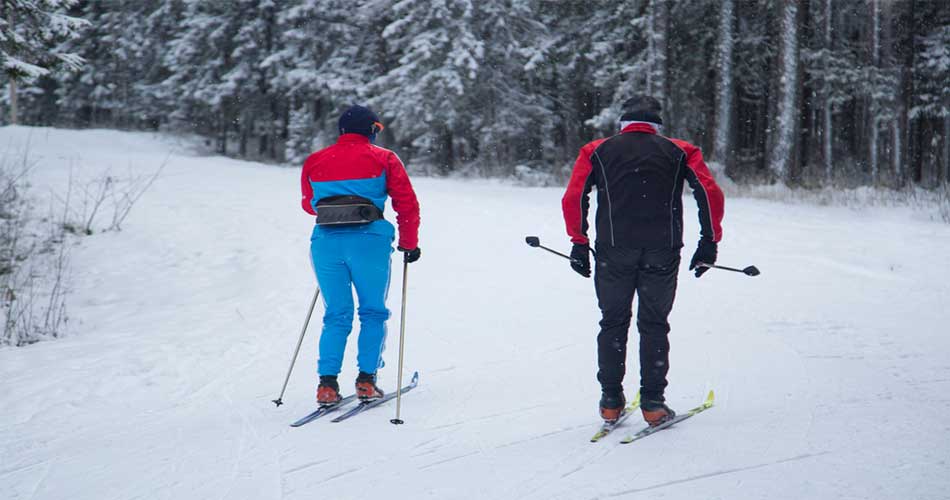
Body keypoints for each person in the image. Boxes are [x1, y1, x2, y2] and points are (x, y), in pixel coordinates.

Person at [561, 95, 724, 426]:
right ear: (657, 126)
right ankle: (652, 404)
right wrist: (709, 241)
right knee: (654, 324)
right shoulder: (681, 151)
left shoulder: (596, 150)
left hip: (612, 250)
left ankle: (610, 401)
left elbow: (574, 196)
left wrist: (579, 242)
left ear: (622, 123)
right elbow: (709, 193)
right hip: (662, 250)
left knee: (612, 322)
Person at [300, 104, 421, 405]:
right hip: (370, 240)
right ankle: (366, 380)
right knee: (372, 312)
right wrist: (409, 243)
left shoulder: (315, 160)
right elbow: (406, 204)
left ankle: (326, 384)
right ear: (371, 130)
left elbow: (308, 205)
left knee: (336, 314)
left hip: (326, 243)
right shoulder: (385, 158)